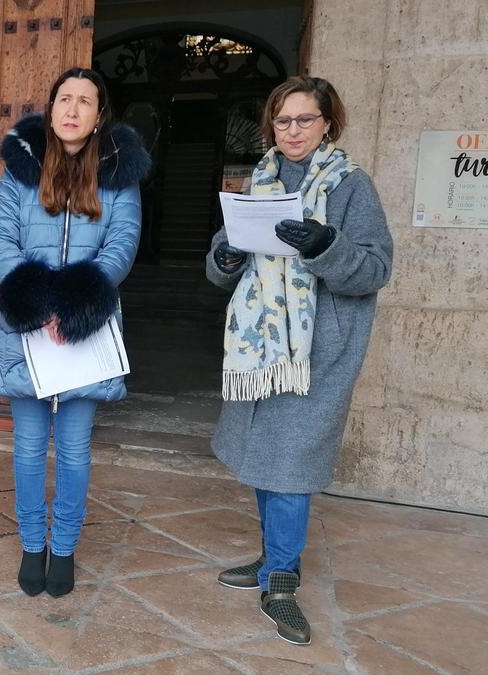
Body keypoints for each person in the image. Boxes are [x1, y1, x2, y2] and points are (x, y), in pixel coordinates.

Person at [206, 76, 393, 645]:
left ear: (327, 123)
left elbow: (375, 268)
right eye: (283, 121)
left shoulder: (351, 187)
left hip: (316, 354)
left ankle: (281, 583)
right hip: (260, 350)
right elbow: (216, 269)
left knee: (289, 468)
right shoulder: (256, 181)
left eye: (304, 120)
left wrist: (323, 245)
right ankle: (270, 562)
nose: (292, 131)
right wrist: (228, 252)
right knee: (267, 459)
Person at [0, 67, 150, 598]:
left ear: (100, 115)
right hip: (27, 327)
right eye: (64, 99)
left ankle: (64, 548)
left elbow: (122, 244)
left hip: (88, 323)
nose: (72, 109)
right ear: (51, 109)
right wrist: (41, 305)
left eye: (85, 101)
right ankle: (33, 544)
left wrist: (75, 306)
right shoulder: (20, 172)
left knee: (75, 450)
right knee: (29, 447)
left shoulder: (119, 174)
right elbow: (0, 240)